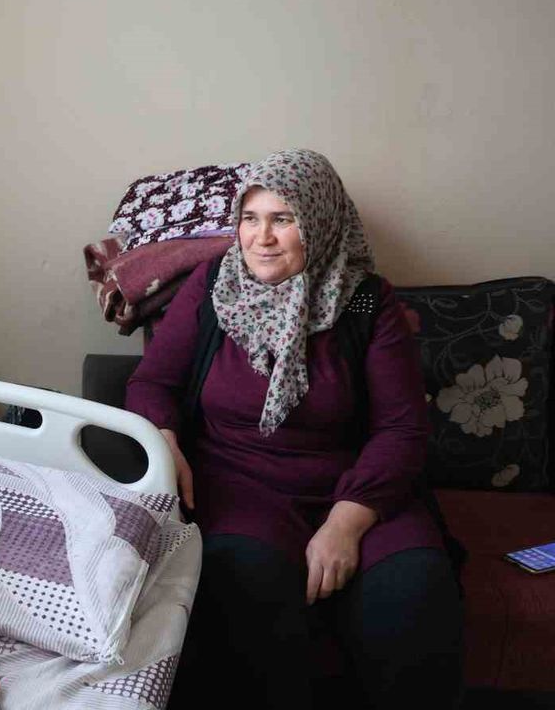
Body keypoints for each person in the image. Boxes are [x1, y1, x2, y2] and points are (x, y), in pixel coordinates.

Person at [125, 149, 462, 709]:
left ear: (319, 223)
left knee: (415, 588)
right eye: (250, 218)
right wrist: (165, 442)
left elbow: (402, 429)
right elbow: (152, 382)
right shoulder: (212, 285)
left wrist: (345, 525)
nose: (261, 238)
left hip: (358, 488)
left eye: (283, 219)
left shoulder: (365, 300)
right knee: (245, 586)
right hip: (238, 486)